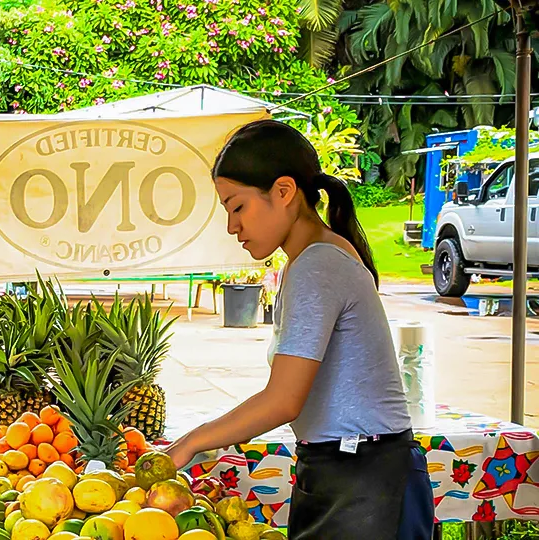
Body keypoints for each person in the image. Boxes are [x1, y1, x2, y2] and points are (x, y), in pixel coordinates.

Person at [165, 120, 434, 539]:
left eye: (238, 207)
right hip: (352, 471)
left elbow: (283, 401)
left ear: (284, 192)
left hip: (365, 481)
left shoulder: (316, 265)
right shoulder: (313, 258)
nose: (232, 226)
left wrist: (191, 442)